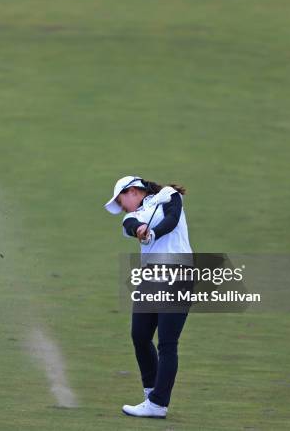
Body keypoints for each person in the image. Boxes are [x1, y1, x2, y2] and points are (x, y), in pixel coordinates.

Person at [104, 175, 193, 419]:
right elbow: (130, 226)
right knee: (140, 336)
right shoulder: (132, 215)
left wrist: (153, 232)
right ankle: (151, 394)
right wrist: (141, 230)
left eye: (121, 200)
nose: (122, 207)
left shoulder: (168, 196)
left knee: (167, 342)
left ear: (133, 191)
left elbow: (172, 220)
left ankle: (158, 403)